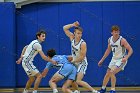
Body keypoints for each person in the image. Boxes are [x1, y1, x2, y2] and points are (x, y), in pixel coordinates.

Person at [63, 21, 98, 93]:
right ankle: (77, 91)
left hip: (82, 62)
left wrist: (72, 60)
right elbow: (64, 28)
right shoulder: (72, 38)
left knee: (78, 81)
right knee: (71, 78)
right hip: (75, 62)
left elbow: (82, 57)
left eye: (81, 33)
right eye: (78, 33)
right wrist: (72, 25)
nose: (80, 35)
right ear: (74, 33)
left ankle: (94, 91)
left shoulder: (83, 43)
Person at [98, 25, 133, 93]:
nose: (116, 33)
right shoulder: (110, 39)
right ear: (112, 33)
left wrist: (126, 57)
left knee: (112, 72)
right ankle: (103, 88)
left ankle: (113, 90)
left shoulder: (122, 40)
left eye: (118, 32)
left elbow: (131, 50)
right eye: (115, 32)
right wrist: (102, 60)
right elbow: (108, 50)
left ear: (119, 32)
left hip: (121, 59)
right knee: (107, 74)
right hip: (114, 59)